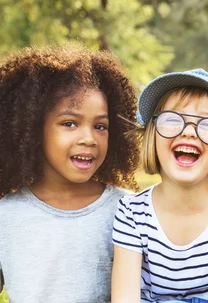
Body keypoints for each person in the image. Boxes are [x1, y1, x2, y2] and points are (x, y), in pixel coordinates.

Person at [111, 68, 208, 303]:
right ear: (152, 135)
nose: (189, 131)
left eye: (207, 124)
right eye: (172, 120)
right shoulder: (132, 213)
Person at [0, 45, 140, 303]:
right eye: (70, 123)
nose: (89, 138)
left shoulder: (130, 209)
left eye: (100, 126)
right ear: (32, 128)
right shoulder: (5, 215)